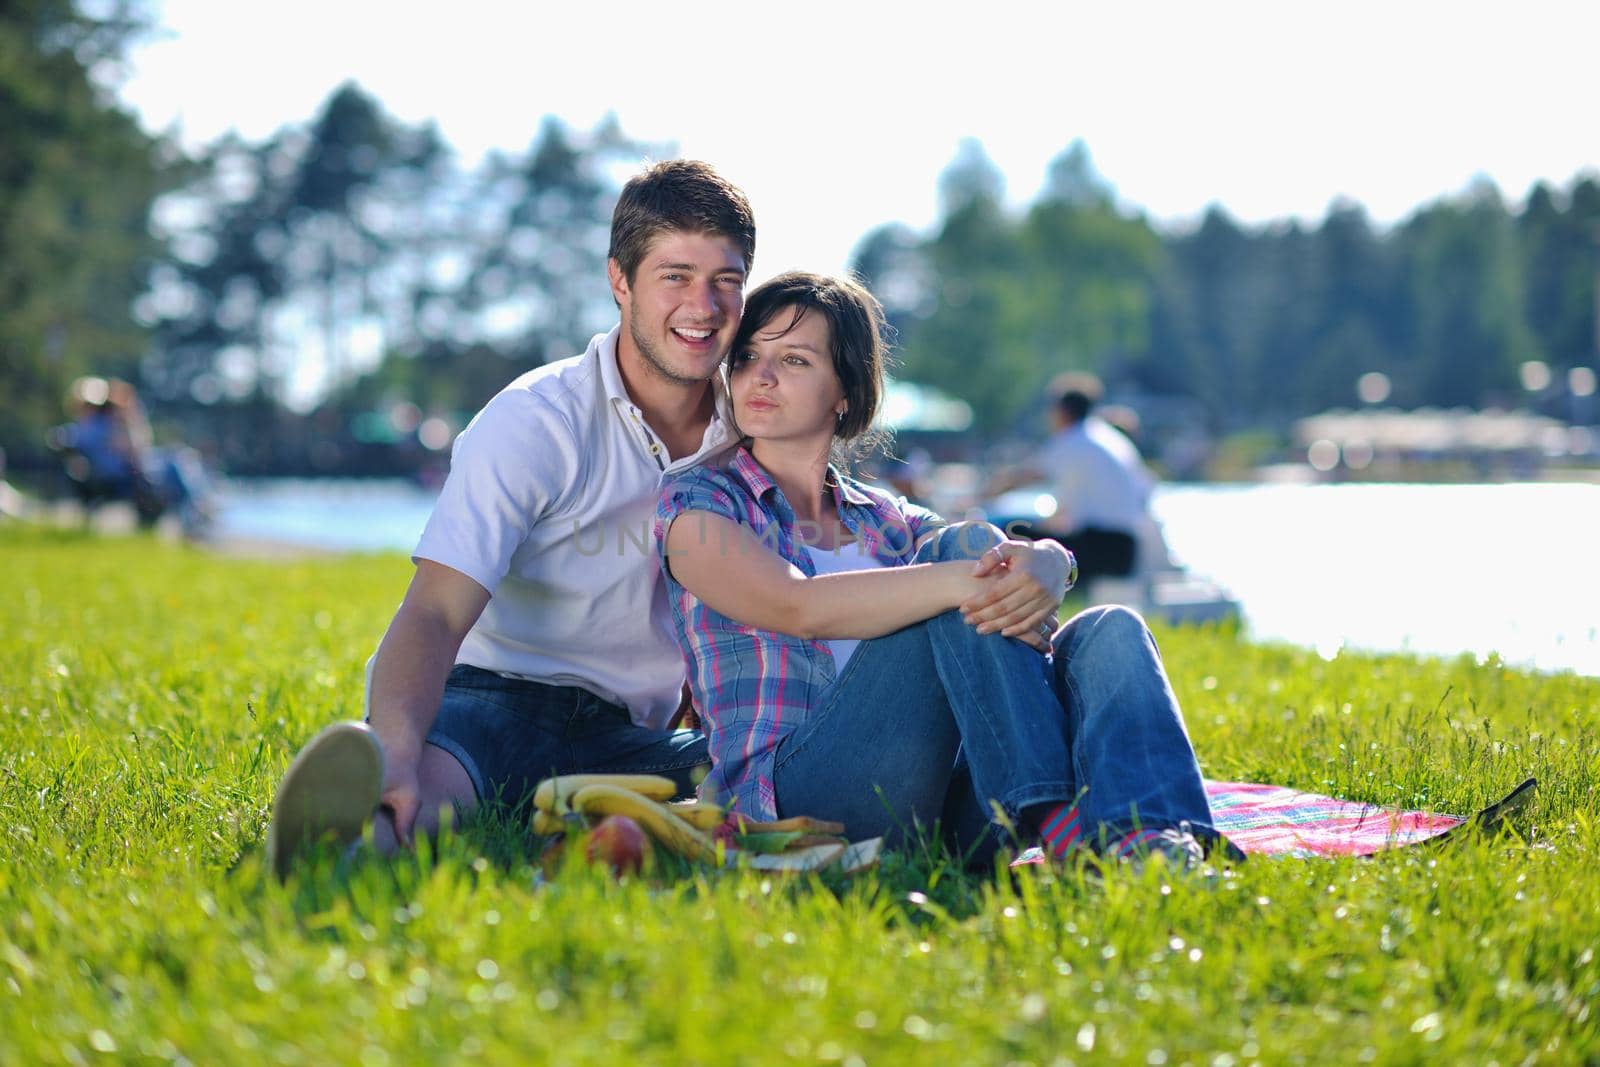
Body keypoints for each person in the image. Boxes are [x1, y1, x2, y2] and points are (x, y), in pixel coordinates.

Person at [265, 160, 756, 877]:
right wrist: (399, 748)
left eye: (726, 280)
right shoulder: (536, 419)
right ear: (620, 280)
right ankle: (348, 834)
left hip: (629, 737)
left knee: (765, 773)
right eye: (675, 276)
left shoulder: (749, 434)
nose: (704, 306)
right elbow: (433, 610)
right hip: (492, 699)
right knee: (430, 795)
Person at [656, 273, 1232, 869]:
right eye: (749, 356)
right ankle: (1053, 821)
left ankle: (1158, 846)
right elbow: (794, 607)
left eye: (794, 360)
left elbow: (986, 553)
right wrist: (966, 577)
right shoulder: (698, 502)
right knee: (958, 559)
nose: (761, 376)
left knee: (1111, 628)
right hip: (798, 802)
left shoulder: (884, 517)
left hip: (939, 805)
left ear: (845, 392)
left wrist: (1052, 560)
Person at [1000, 372, 1156, 585]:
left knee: (1007, 534)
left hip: (1103, 546)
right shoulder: (1108, 438)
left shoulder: (1073, 440)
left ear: (1061, 411)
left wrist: (978, 497)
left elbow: (1020, 478)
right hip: (1126, 548)